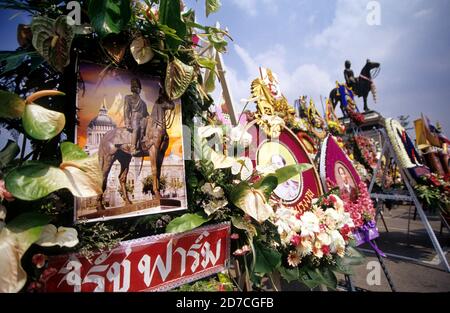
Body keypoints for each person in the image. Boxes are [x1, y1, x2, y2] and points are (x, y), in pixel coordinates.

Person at [124, 78, 149, 155]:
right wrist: (127, 122)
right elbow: (126, 110)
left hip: (143, 119)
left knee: (147, 129)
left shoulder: (143, 103)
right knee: (136, 129)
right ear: (133, 88)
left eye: (139, 88)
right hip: (134, 118)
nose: (139, 89)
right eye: (138, 88)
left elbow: (146, 113)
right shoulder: (128, 98)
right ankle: (133, 148)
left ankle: (142, 146)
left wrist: (150, 118)